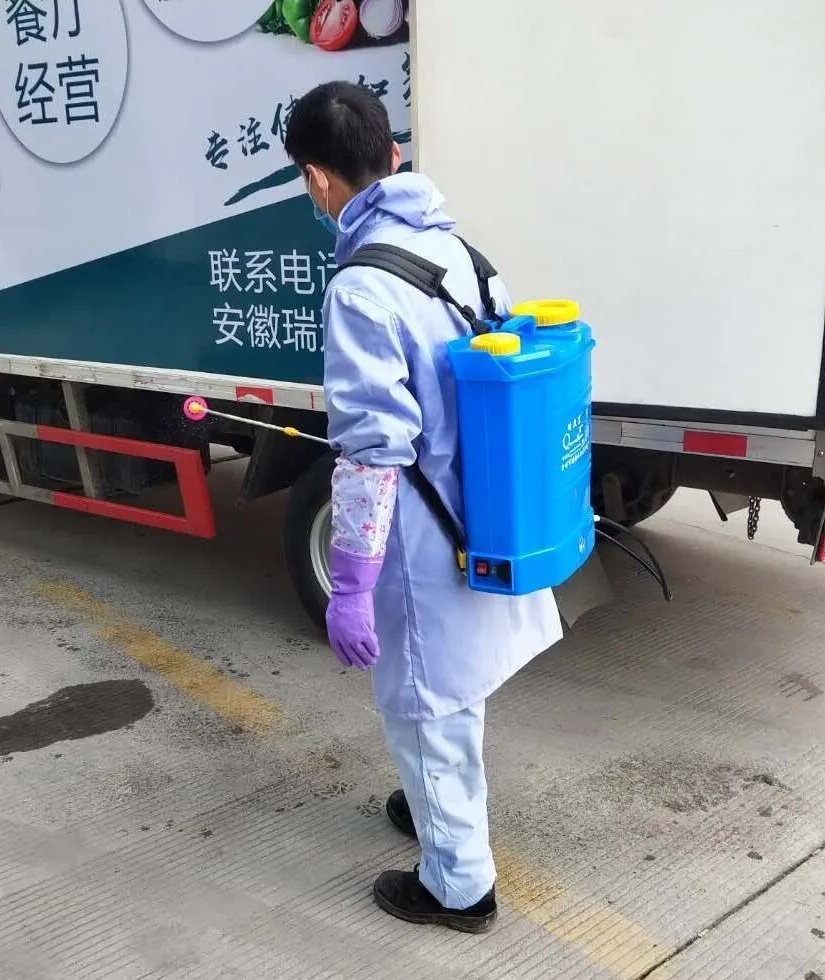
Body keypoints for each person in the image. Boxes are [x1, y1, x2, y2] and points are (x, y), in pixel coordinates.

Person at [283, 81, 563, 933]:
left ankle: (457, 887)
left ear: (317, 178)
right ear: (393, 155)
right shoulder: (461, 254)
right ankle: (431, 803)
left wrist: (351, 583)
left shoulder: (361, 288)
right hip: (477, 510)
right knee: (452, 685)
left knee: (421, 702)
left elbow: (370, 453)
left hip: (416, 531)